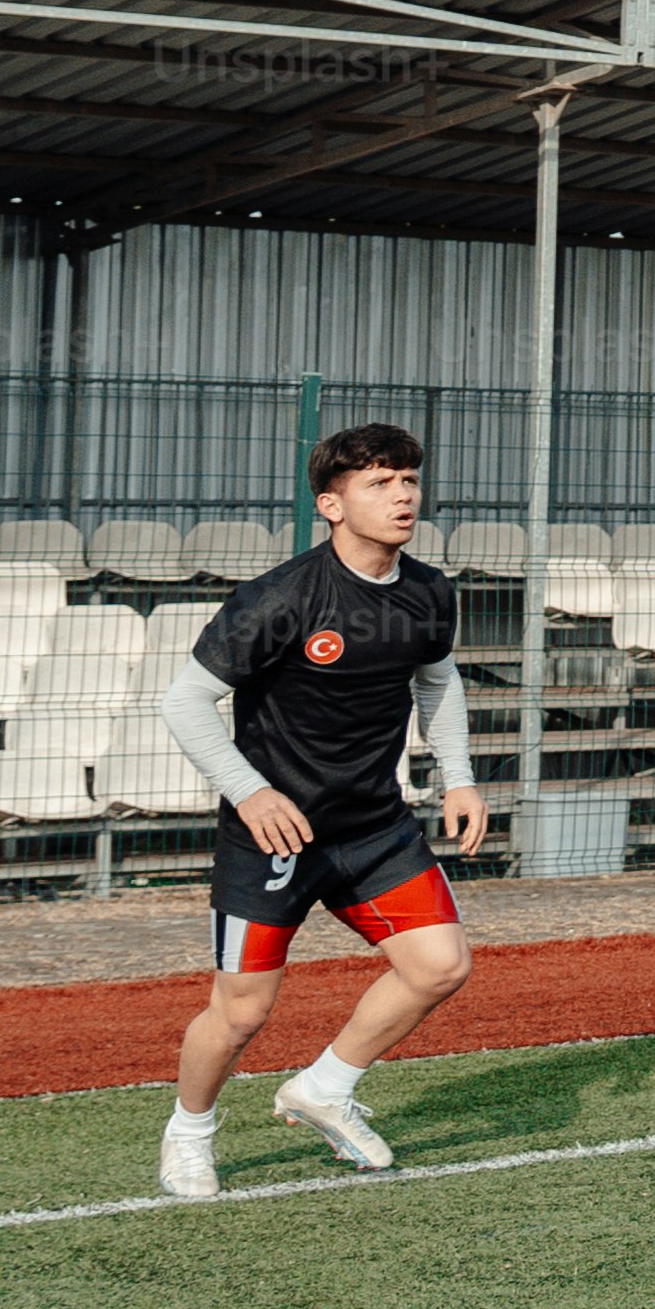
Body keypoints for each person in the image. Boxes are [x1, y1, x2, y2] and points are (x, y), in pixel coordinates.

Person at [157, 421, 488, 1196]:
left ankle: (325, 1088)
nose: (403, 494)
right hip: (272, 836)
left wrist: (461, 776)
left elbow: (437, 681)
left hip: (372, 827)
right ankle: (189, 1132)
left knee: (440, 966)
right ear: (330, 505)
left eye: (408, 478)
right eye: (380, 482)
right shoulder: (279, 597)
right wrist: (251, 792)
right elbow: (186, 703)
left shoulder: (429, 591)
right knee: (240, 1014)